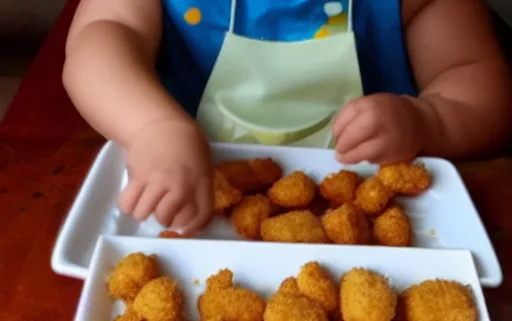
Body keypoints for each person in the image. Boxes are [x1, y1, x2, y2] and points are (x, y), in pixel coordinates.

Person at [63, 0, 511, 233]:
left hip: (378, 222)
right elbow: (98, 41)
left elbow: (481, 85)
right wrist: (152, 128)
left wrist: (428, 119)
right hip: (189, 205)